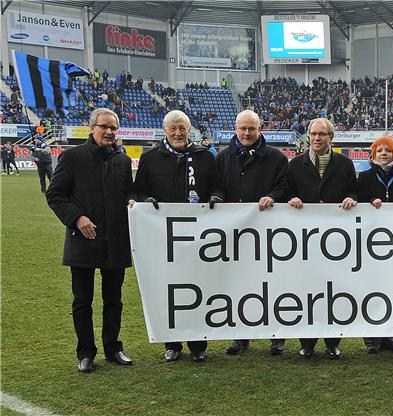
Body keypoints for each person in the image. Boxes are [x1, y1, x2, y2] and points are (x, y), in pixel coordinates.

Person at [45, 108, 134, 373]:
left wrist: (133, 201)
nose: (109, 132)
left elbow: (128, 193)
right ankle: (85, 353)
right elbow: (55, 194)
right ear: (91, 127)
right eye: (104, 126)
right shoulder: (72, 157)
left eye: (113, 128)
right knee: (82, 300)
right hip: (83, 239)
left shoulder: (122, 160)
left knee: (114, 299)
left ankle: (113, 348)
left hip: (115, 240)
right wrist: (77, 218)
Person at [130, 110, 223, 363]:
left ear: (189, 130)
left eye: (182, 128)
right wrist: (145, 201)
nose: (178, 133)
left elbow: (218, 186)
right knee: (169, 290)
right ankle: (172, 344)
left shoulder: (205, 156)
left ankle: (198, 344)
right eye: (173, 128)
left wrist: (216, 197)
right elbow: (138, 191)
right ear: (165, 131)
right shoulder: (150, 158)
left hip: (200, 238)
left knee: (199, 289)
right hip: (164, 238)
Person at [217, 109, 289, 357]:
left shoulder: (276, 157)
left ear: (260, 129)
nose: (247, 133)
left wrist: (273, 196)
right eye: (242, 128)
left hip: (269, 234)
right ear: (235, 129)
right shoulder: (223, 157)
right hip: (235, 234)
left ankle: (277, 336)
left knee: (273, 284)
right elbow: (216, 187)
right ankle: (241, 335)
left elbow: (284, 187)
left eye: (251, 128)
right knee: (240, 286)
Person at [286, 117, 358, 360]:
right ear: (308, 136)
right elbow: (287, 192)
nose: (317, 138)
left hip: (336, 240)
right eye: (313, 134)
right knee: (306, 291)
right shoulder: (295, 164)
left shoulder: (345, 164)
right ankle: (306, 342)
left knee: (334, 291)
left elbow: (353, 190)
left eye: (322, 134)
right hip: (304, 240)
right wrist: (291, 199)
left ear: (331, 137)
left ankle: (332, 342)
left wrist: (351, 198)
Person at [356, 136, 393, 354]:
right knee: (371, 288)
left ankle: (389, 337)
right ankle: (371, 339)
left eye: (388, 150)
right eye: (379, 150)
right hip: (371, 240)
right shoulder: (365, 176)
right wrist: (369, 203)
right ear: (373, 155)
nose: (384, 154)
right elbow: (357, 201)